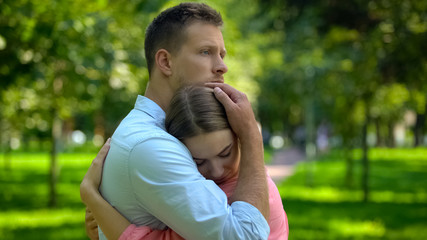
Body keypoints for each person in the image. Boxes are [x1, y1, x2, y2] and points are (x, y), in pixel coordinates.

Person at [80, 3, 270, 240]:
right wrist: (251, 135)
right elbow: (247, 236)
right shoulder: (150, 145)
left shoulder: (172, 132)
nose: (222, 67)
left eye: (221, 54)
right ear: (166, 62)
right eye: (205, 52)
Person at [81, 85, 289, 239]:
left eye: (225, 153)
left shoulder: (254, 196)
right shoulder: (208, 191)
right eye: (199, 161)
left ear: (238, 137)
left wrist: (93, 199)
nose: (216, 171)